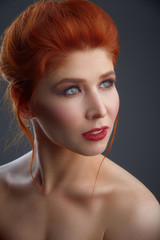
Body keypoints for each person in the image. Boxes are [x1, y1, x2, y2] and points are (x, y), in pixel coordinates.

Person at [0, 0, 159, 239]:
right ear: (24, 102)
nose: (99, 110)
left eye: (106, 83)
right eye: (72, 90)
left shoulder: (137, 212)